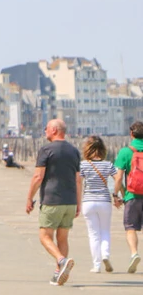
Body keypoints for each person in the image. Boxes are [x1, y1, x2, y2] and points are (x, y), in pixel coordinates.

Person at [25, 118, 81, 286]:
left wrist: (29, 197)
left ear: (55, 130)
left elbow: (38, 176)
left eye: (47, 128)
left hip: (52, 200)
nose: (45, 131)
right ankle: (58, 273)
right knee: (62, 238)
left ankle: (61, 261)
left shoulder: (46, 150)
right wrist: (79, 203)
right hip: (70, 201)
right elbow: (78, 180)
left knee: (44, 236)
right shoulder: (74, 151)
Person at [79, 135, 117, 273]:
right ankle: (105, 255)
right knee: (105, 231)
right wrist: (117, 194)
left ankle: (96, 265)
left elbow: (78, 182)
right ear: (103, 149)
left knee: (93, 234)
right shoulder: (108, 165)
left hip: (88, 201)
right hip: (104, 201)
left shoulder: (83, 165)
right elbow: (118, 179)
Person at [113, 121, 143, 274]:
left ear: (131, 134)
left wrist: (116, 195)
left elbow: (118, 178)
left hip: (132, 195)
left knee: (131, 228)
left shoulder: (126, 152)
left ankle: (134, 253)